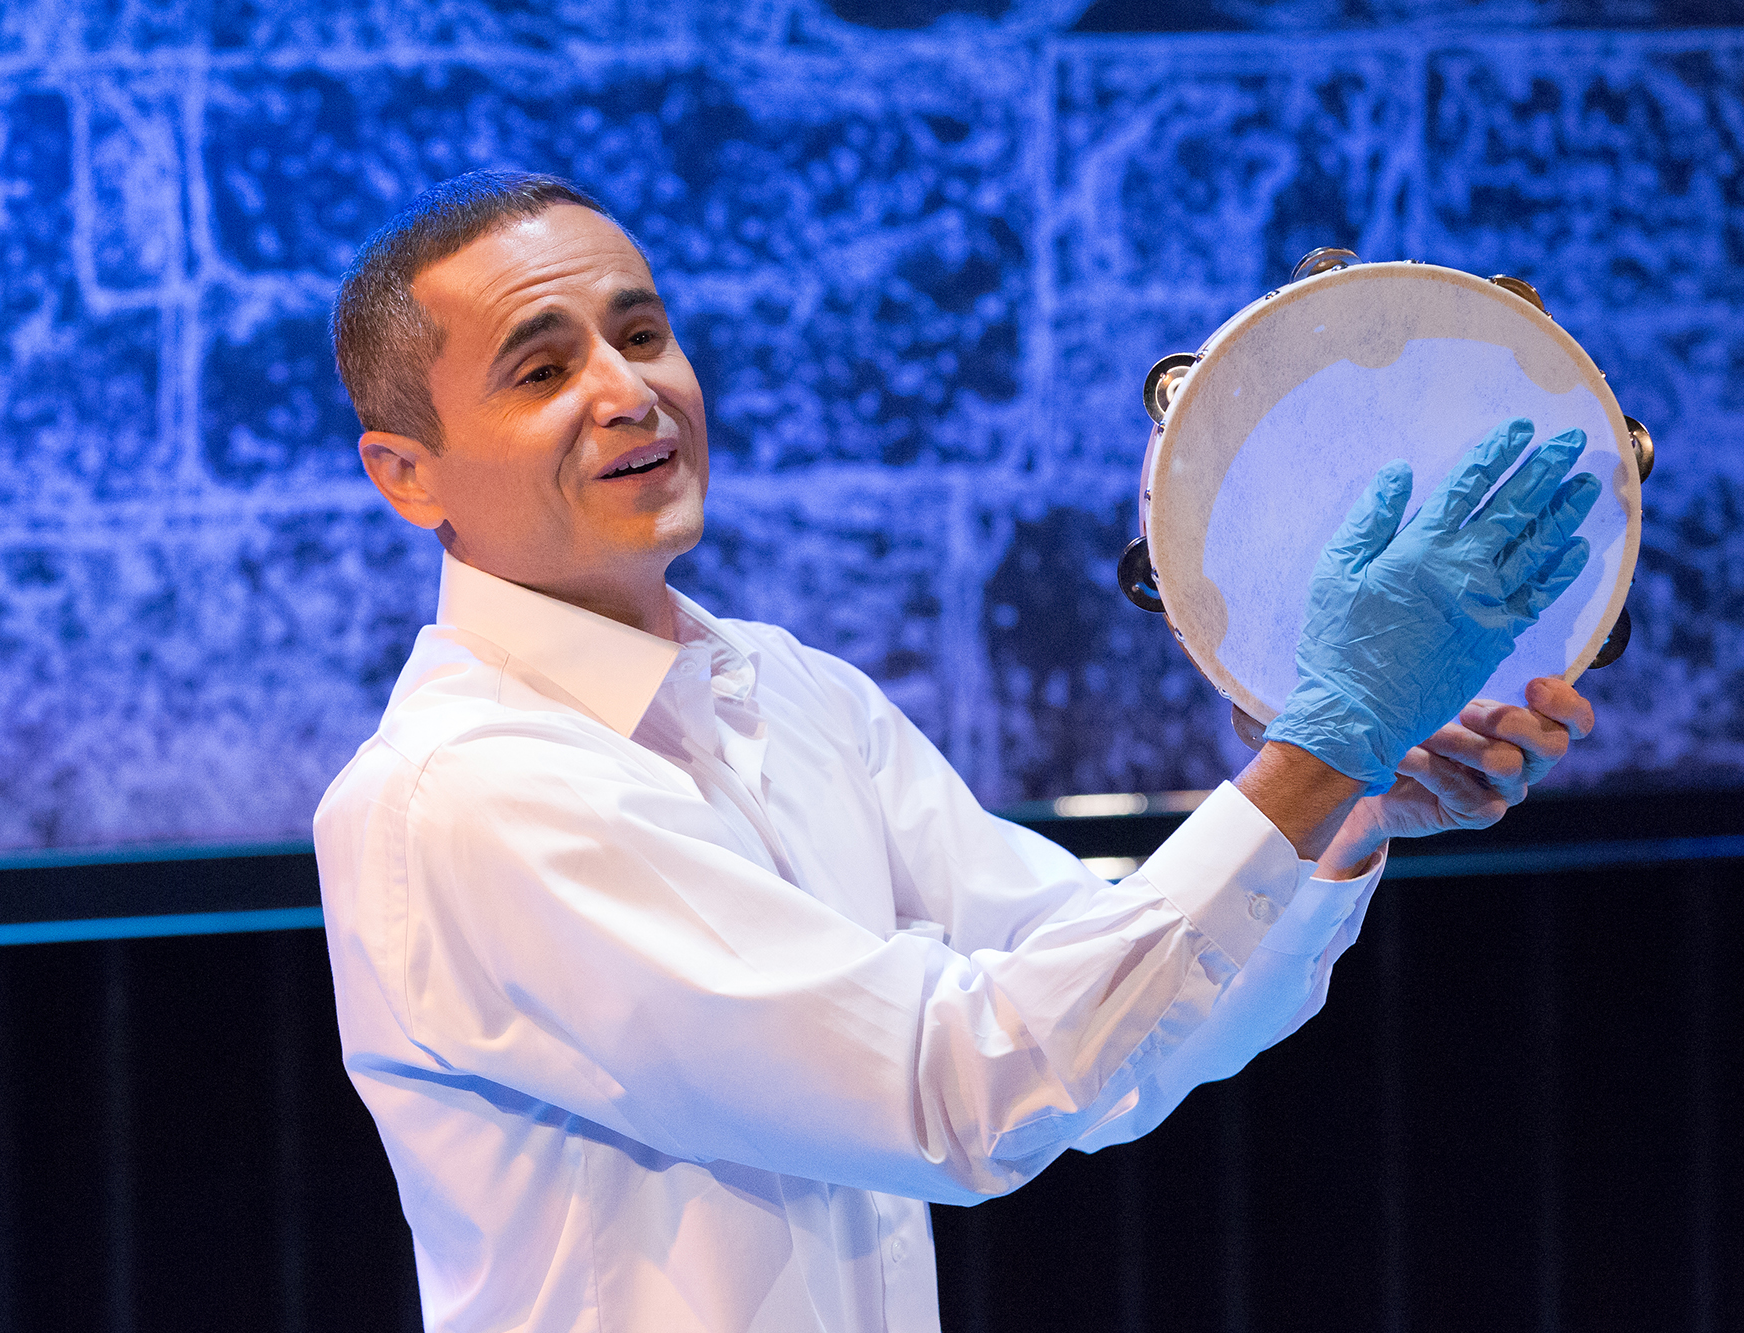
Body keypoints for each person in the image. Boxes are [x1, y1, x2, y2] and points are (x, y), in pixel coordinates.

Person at [314, 169, 1599, 1333]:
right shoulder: (459, 793)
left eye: (641, 333)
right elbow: (957, 1088)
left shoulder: (791, 690)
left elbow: (1116, 1033)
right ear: (405, 473)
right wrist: (1322, 745)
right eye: (540, 371)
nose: (626, 389)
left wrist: (1337, 807)